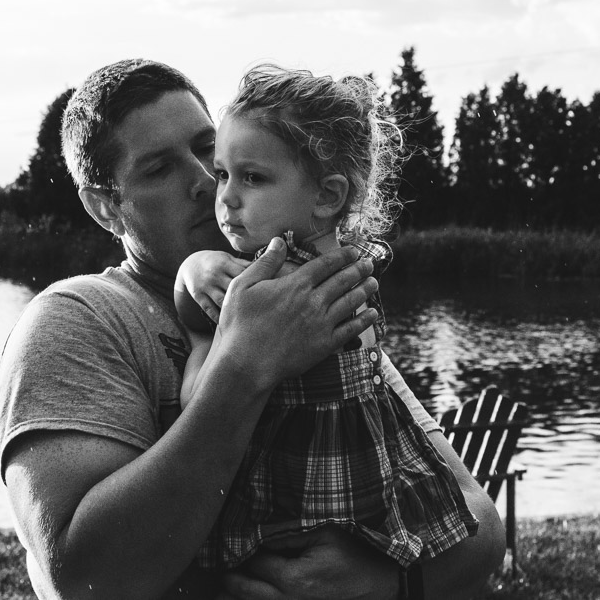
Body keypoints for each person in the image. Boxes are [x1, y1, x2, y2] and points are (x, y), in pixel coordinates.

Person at [0, 58, 505, 600]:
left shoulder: (304, 297)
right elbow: (80, 576)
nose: (204, 181)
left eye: (206, 151)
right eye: (159, 169)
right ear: (104, 208)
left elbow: (482, 528)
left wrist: (385, 582)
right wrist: (245, 366)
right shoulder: (79, 317)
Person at [174, 65, 480, 577]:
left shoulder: (277, 288)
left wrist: (198, 307)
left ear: (327, 196)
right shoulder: (346, 271)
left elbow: (197, 399)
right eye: (222, 173)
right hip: (360, 508)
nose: (223, 196)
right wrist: (196, 268)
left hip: (296, 505)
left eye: (252, 177)